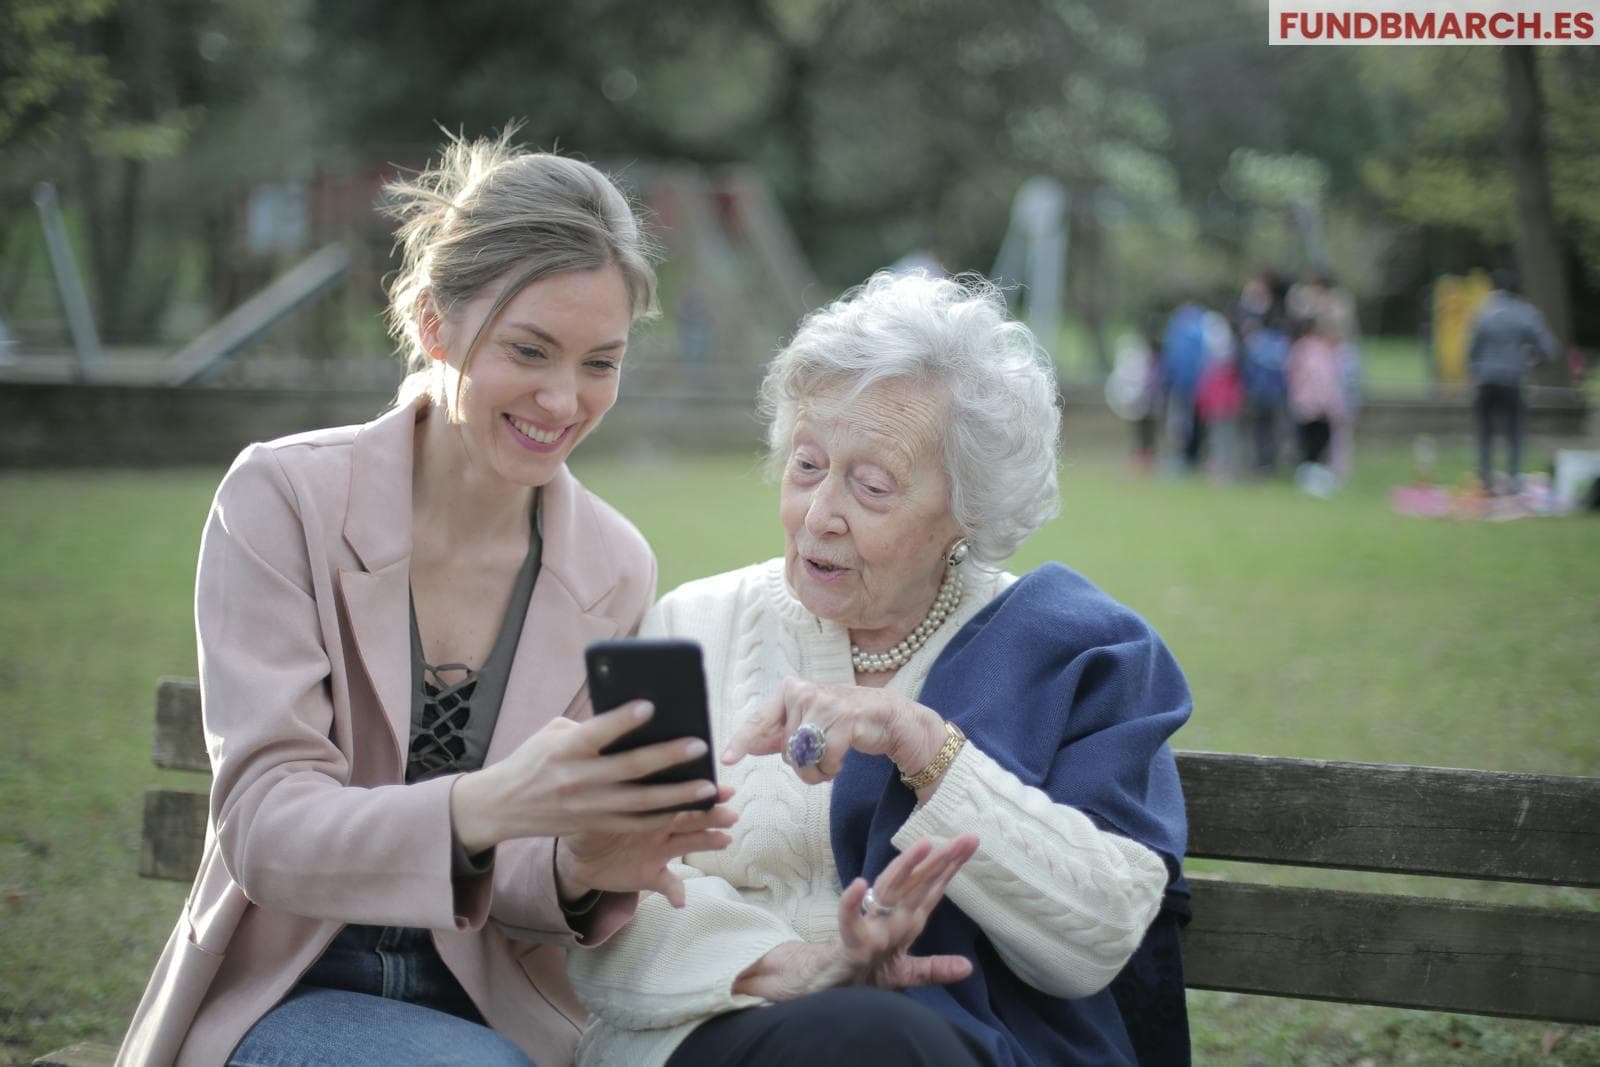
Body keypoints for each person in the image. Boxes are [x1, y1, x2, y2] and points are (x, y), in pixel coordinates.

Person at [117, 132, 737, 1067]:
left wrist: (578, 862)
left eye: (601, 362)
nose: (564, 400)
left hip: (502, 1012)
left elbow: (524, 872)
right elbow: (265, 824)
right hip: (290, 991)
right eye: (529, 349)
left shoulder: (613, 562)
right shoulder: (283, 499)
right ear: (432, 322)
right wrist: (484, 804)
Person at [568, 272, 1193, 1067]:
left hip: (963, 1048)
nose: (819, 512)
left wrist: (926, 745)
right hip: (708, 1036)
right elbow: (604, 892)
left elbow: (1100, 934)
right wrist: (796, 966)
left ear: (968, 510)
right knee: (868, 1037)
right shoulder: (691, 627)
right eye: (806, 465)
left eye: (870, 486)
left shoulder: (1075, 653)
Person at [1467, 266, 1558, 493]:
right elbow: (1549, 349)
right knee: (1515, 431)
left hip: (1486, 380)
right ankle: (1513, 479)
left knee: (1485, 432)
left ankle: (1486, 479)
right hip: (1513, 379)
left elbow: (1472, 351)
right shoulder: (1526, 314)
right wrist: (1532, 362)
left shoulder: (1483, 313)